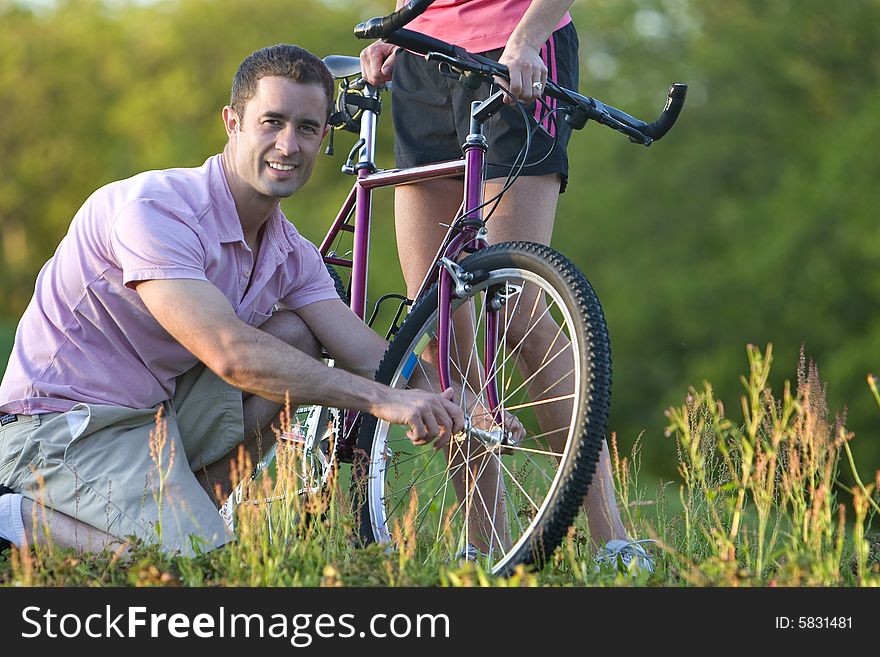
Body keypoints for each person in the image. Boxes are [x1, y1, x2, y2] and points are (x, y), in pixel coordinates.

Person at [0, 44, 465, 556]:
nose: (288, 145)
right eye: (272, 122)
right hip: (62, 427)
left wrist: (460, 406)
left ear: (324, 137)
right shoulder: (155, 210)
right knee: (182, 570)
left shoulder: (291, 252)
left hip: (153, 415)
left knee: (298, 336)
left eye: (307, 128)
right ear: (233, 122)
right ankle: (16, 519)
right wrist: (381, 400)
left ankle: (186, 513)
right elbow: (230, 354)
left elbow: (369, 354)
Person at [360, 0, 654, 571]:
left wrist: (529, 35)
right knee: (443, 320)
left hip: (516, 48)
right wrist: (399, 25)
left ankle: (612, 542)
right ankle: (483, 541)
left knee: (514, 307)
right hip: (422, 57)